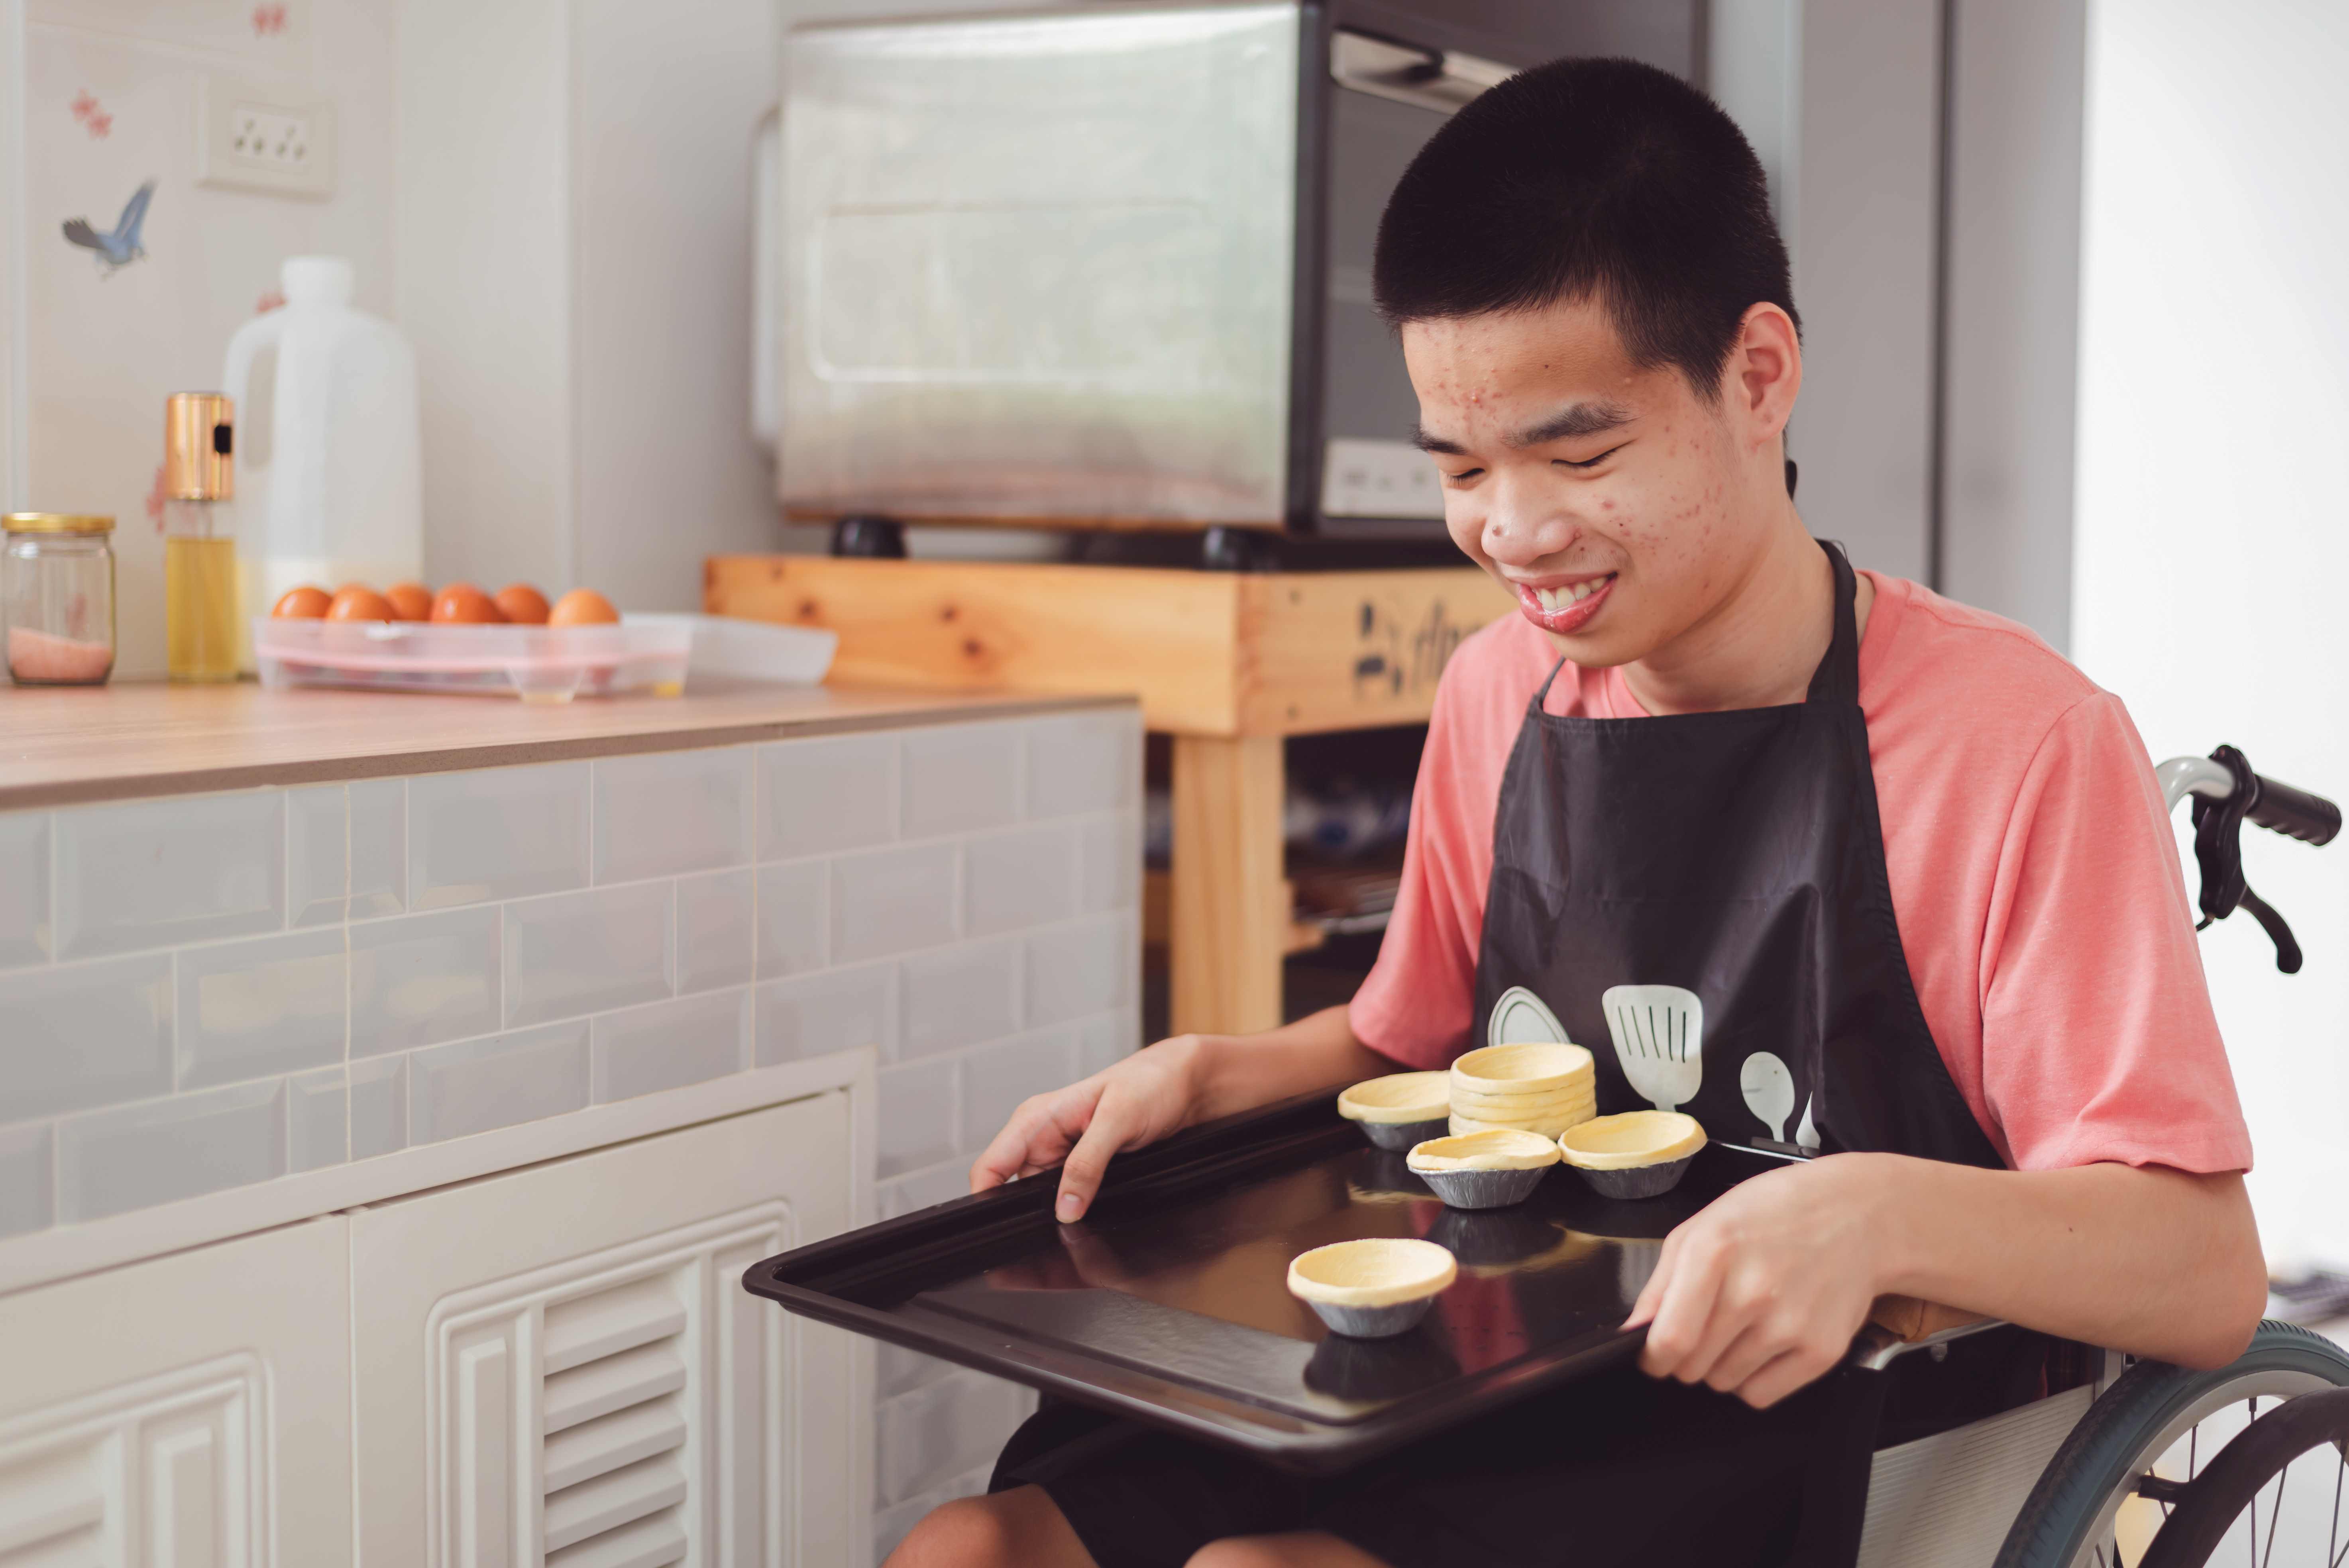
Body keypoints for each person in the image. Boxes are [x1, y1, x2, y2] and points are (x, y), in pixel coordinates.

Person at [886, 54, 2267, 1568]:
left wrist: (1869, 1214)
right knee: (974, 1547)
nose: (1515, 531)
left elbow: (2200, 1266)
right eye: (1464, 466)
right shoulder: (1501, 692)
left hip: (1815, 1415)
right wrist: (1215, 1076)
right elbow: (1410, 1048)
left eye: (1580, 451)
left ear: (1757, 374)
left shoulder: (2017, 744)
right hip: (1489, 1360)